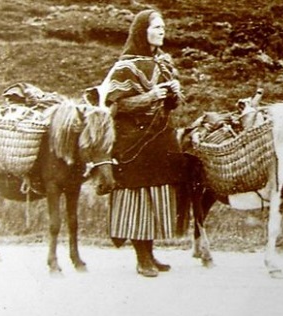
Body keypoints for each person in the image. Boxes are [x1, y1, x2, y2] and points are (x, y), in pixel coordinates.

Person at [97, 9, 186, 277]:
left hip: (160, 140)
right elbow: (117, 104)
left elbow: (172, 105)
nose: (162, 31)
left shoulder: (165, 64)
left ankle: (151, 253)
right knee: (138, 198)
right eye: (156, 27)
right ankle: (141, 257)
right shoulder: (125, 66)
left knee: (156, 194)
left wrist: (173, 96)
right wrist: (150, 97)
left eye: (163, 27)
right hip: (133, 142)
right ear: (141, 31)